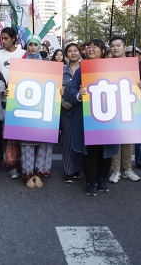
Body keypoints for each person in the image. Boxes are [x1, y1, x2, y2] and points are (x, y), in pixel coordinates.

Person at [74, 38, 118, 196]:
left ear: (103, 51)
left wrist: (137, 86)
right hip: (89, 117)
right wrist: (79, 95)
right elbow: (72, 90)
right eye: (89, 46)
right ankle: (91, 181)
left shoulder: (113, 68)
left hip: (109, 116)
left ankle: (103, 179)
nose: (91, 49)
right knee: (91, 151)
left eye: (95, 47)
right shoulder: (81, 69)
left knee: (105, 151)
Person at [20, 35, 53, 188]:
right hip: (25, 107)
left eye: (36, 45)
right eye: (30, 44)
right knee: (27, 143)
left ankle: (39, 173)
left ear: (40, 46)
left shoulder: (48, 65)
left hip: (43, 107)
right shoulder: (20, 64)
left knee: (43, 141)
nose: (33, 47)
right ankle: (28, 174)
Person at [108, 36, 141, 184]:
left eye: (118, 45)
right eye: (113, 45)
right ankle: (115, 170)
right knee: (115, 139)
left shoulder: (133, 64)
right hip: (111, 105)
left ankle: (127, 169)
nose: (115, 48)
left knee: (127, 139)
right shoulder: (105, 64)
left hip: (129, 104)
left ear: (124, 47)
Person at [0, 27, 26, 179]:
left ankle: (20, 163)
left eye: (6, 38)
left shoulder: (23, 54)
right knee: (5, 135)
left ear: (14, 38)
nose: (4, 41)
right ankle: (9, 163)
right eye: (2, 38)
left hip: (21, 101)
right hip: (2, 101)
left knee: (18, 134)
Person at [59, 43, 83, 183]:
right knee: (67, 140)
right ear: (66, 54)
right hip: (66, 109)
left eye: (75, 51)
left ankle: (78, 169)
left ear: (79, 52)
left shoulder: (86, 69)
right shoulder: (61, 70)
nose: (73, 53)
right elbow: (55, 88)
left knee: (80, 139)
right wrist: (61, 101)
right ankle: (68, 170)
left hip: (81, 110)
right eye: (70, 51)